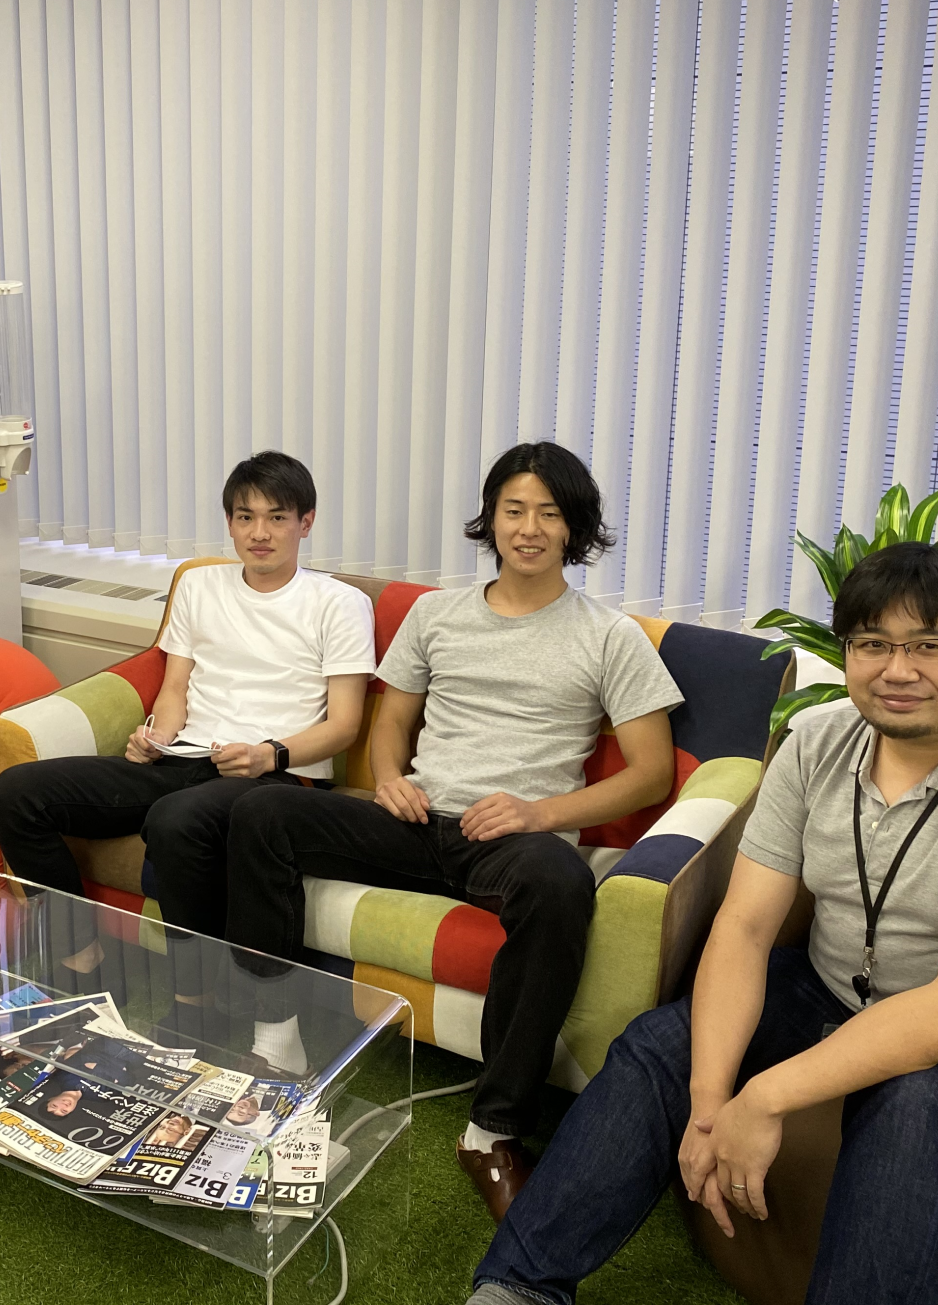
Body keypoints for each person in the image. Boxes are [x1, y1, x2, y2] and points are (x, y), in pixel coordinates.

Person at [469, 542, 938, 1305]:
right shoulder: (817, 743)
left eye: (930, 645)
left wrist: (766, 1096)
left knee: (913, 1101)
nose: (897, 668)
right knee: (662, 1044)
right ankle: (518, 1286)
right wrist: (712, 1101)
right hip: (842, 987)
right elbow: (745, 927)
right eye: (872, 643)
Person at [225, 441, 682, 1219]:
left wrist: (539, 814)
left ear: (574, 528)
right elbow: (391, 723)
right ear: (490, 519)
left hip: (512, 839)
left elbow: (651, 772)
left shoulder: (610, 635)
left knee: (561, 882)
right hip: (414, 820)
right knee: (259, 810)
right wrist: (390, 776)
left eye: (548, 513)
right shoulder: (437, 613)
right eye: (514, 510)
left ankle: (492, 1129)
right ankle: (277, 1044)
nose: (529, 528)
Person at [0, 451, 374, 1033]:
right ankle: (82, 964)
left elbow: (344, 725)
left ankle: (195, 1009)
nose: (260, 533)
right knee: (17, 793)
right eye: (245, 517)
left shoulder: (339, 603)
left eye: (277, 518)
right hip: (185, 758)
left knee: (175, 821)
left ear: (306, 522)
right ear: (230, 523)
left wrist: (269, 753)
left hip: (275, 779)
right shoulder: (199, 585)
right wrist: (155, 736)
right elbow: (174, 688)